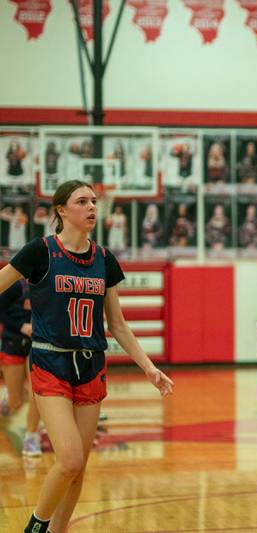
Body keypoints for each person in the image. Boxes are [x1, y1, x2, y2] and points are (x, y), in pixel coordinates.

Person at [0, 180, 173, 533]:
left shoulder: (105, 260)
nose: (92, 207)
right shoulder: (40, 251)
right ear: (62, 210)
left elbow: (119, 326)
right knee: (69, 459)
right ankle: (35, 527)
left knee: (79, 470)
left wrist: (150, 368)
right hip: (51, 363)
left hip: (91, 366)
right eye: (82, 201)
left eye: (94, 201)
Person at [0, 279, 43, 456]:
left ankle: (31, 437)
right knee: (15, 402)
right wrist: (20, 326)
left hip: (38, 344)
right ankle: (9, 401)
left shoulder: (51, 283)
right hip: (13, 342)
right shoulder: (16, 285)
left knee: (38, 392)